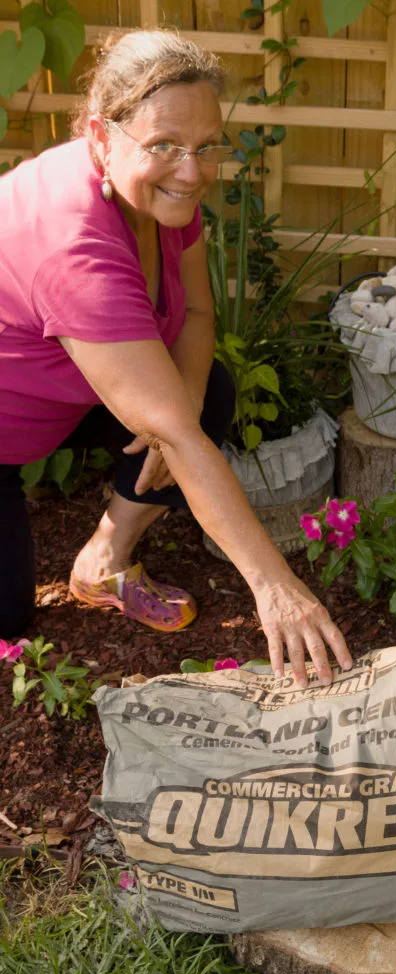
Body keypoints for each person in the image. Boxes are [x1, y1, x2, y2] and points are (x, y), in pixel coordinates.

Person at [0, 29, 352, 686]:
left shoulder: (163, 195)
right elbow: (169, 427)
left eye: (206, 146)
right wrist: (275, 586)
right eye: (164, 146)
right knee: (9, 622)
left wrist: (181, 415)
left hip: (61, 388)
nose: (192, 171)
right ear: (102, 136)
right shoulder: (75, 250)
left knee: (204, 393)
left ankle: (104, 561)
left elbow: (194, 313)